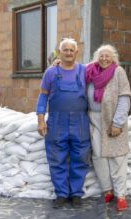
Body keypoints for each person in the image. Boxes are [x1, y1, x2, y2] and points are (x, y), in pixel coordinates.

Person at [36, 38, 91, 209]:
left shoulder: (85, 70)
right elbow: (43, 96)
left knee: (80, 157)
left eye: (71, 50)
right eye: (65, 50)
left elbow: (105, 65)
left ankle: (76, 194)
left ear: (76, 52)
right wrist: (40, 120)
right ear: (59, 52)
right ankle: (61, 194)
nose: (68, 53)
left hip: (80, 121)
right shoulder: (51, 72)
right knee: (56, 157)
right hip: (57, 121)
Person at [86, 45, 131, 211]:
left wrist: (118, 123)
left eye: (108, 56)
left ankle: (121, 195)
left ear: (113, 58)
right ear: (97, 57)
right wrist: (56, 62)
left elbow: (124, 98)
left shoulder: (118, 72)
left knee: (117, 157)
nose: (104, 58)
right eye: (101, 55)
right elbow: (72, 68)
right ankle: (108, 190)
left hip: (113, 120)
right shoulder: (90, 72)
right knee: (98, 156)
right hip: (94, 119)